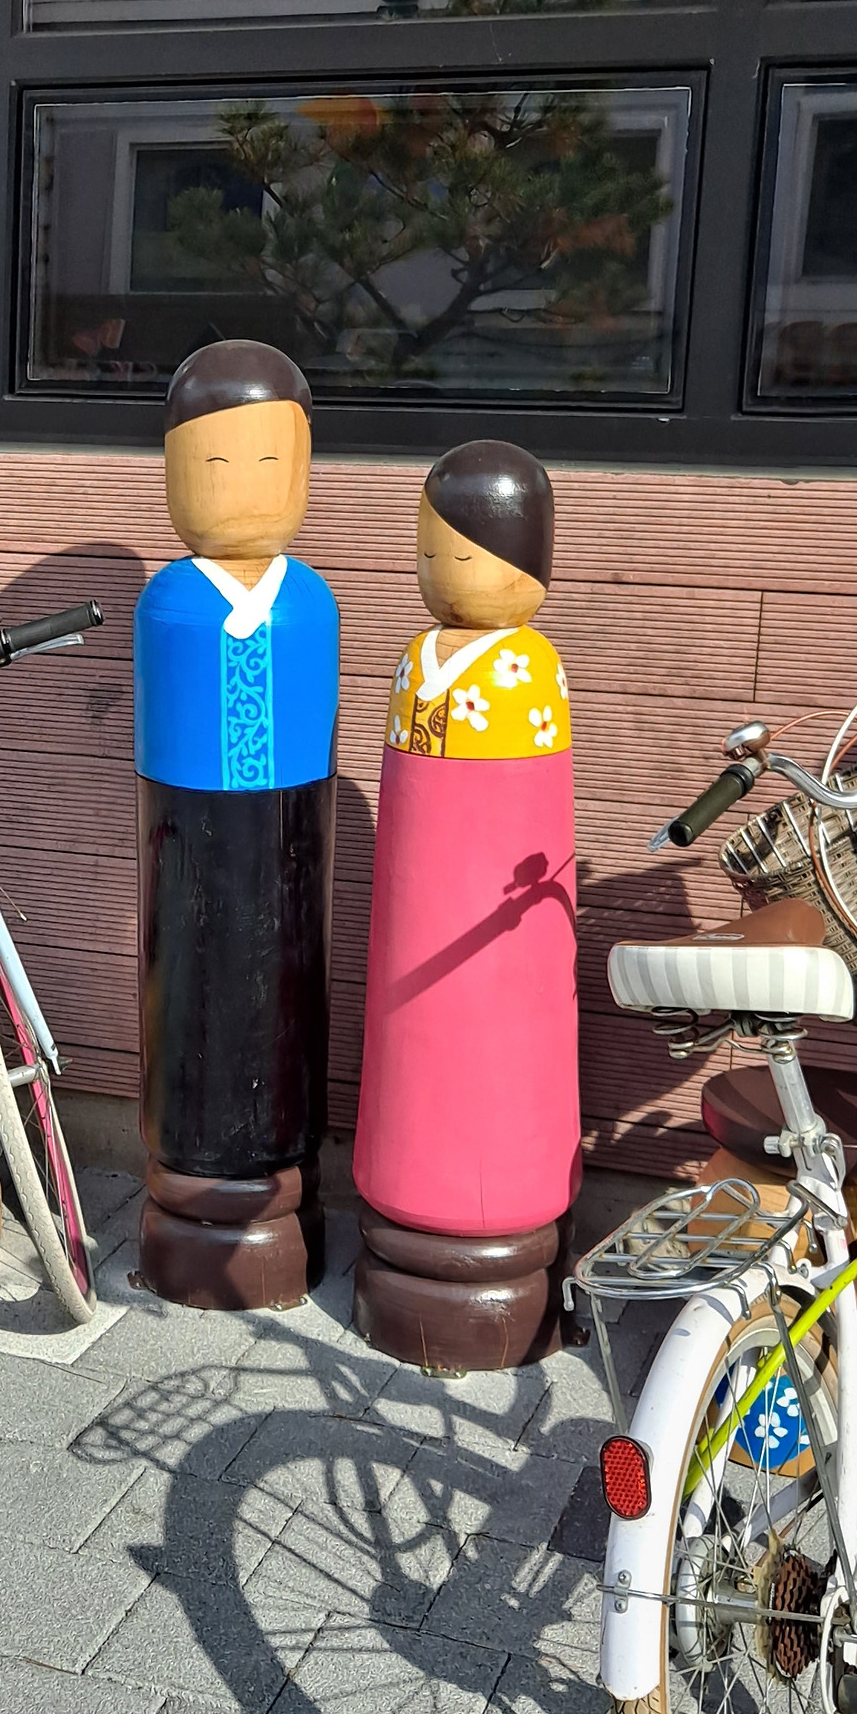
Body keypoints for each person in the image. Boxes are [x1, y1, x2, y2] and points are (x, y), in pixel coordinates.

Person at [352, 438, 579, 1358]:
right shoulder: (419, 662)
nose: (446, 567)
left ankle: (497, 1206)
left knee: (500, 1035)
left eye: (465, 549)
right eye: (433, 548)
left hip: (502, 937)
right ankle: (415, 1190)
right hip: (417, 945)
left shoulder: (531, 668)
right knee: (417, 1037)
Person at [133, 341, 339, 1301]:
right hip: (183, 833)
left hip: (294, 830)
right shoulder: (171, 602)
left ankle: (286, 1160)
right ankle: (189, 1153)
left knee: (288, 972)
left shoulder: (308, 602)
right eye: (218, 461)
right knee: (191, 974)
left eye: (266, 459)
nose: (244, 483)